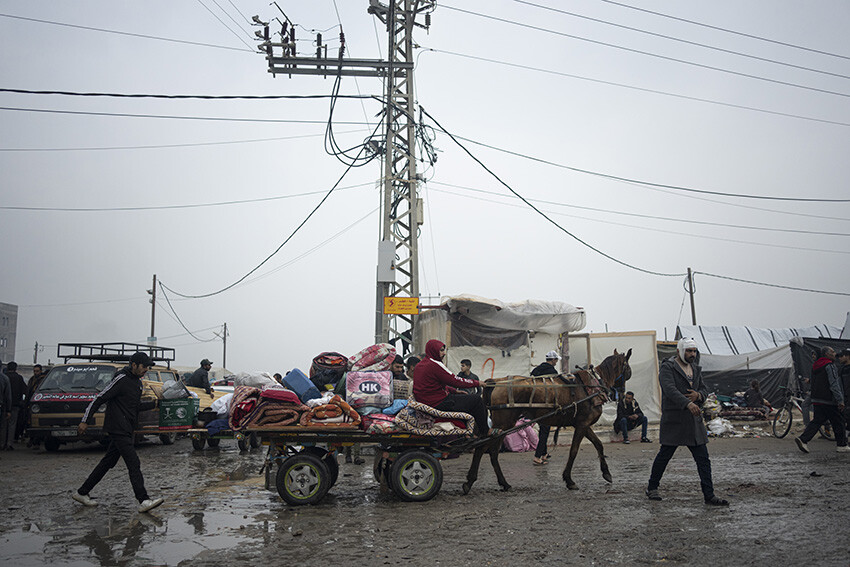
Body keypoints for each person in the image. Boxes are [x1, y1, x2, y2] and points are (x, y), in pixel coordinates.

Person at [72, 352, 165, 513]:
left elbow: (135, 406)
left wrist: (155, 404)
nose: (146, 369)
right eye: (144, 366)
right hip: (117, 427)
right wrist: (85, 420)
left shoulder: (137, 383)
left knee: (107, 462)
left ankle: (82, 492)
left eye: (148, 367)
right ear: (134, 365)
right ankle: (143, 500)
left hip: (127, 428)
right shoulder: (121, 379)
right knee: (133, 462)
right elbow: (100, 398)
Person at [646, 337, 728, 506]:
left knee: (703, 459)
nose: (692, 354)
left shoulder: (695, 368)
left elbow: (704, 388)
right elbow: (669, 389)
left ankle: (709, 495)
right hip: (674, 419)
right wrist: (687, 403)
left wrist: (699, 395)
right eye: (689, 351)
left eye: (694, 351)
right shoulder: (668, 367)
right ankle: (652, 487)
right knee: (664, 456)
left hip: (693, 421)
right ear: (679, 351)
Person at [413, 340, 492, 437]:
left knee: (466, 400)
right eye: (441, 350)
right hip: (438, 403)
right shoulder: (435, 364)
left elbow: (434, 385)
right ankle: (485, 432)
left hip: (427, 403)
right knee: (477, 400)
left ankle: (467, 432)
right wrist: (477, 383)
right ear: (433, 350)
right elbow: (455, 380)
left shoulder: (420, 365)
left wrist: (456, 391)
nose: (444, 353)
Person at [794, 346, 848, 453]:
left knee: (817, 421)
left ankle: (803, 439)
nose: (835, 354)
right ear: (827, 354)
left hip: (817, 399)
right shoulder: (830, 365)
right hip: (828, 399)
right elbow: (834, 384)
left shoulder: (815, 366)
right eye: (832, 352)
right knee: (839, 421)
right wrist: (840, 400)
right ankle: (842, 445)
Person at [530, 351, 559, 465]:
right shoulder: (553, 372)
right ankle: (537, 457)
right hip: (546, 403)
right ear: (553, 360)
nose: (556, 362)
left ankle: (544, 453)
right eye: (556, 360)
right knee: (545, 430)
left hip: (536, 403)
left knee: (543, 428)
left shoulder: (536, 369)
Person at [3, 361, 26, 448]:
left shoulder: (4, 377)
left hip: (4, 405)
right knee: (12, 425)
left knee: (3, 425)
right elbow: (25, 390)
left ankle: (2, 443)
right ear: (15, 368)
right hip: (15, 405)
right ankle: (9, 444)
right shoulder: (19, 378)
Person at [0, 361, 11, 456]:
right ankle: (2, 445)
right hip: (1, 406)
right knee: (2, 427)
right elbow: (8, 396)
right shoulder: (4, 378)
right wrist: (8, 410)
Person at [838, 349, 850, 427]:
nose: (839, 358)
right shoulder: (841, 369)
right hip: (844, 397)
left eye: (842, 356)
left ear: (848, 356)